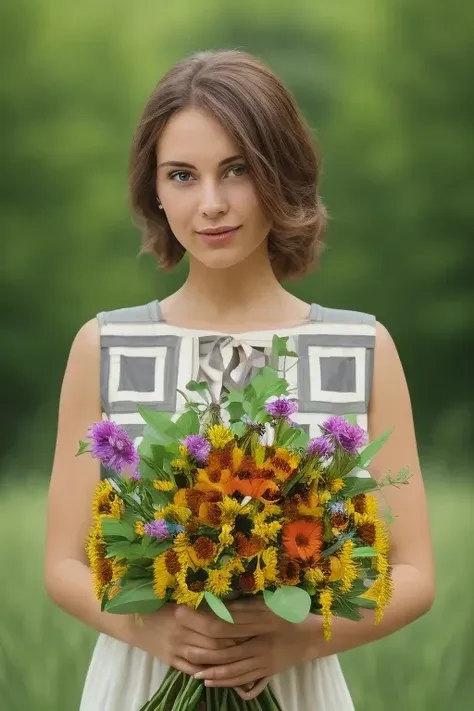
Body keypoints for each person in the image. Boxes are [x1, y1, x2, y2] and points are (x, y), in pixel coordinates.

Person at [44, 49, 435, 711]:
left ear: (281, 172)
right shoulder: (105, 346)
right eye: (182, 175)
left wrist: (296, 640)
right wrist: (161, 632)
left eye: (238, 169)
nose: (212, 204)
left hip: (301, 683)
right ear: (154, 189)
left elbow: (415, 573)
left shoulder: (360, 347)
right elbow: (64, 564)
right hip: (139, 682)